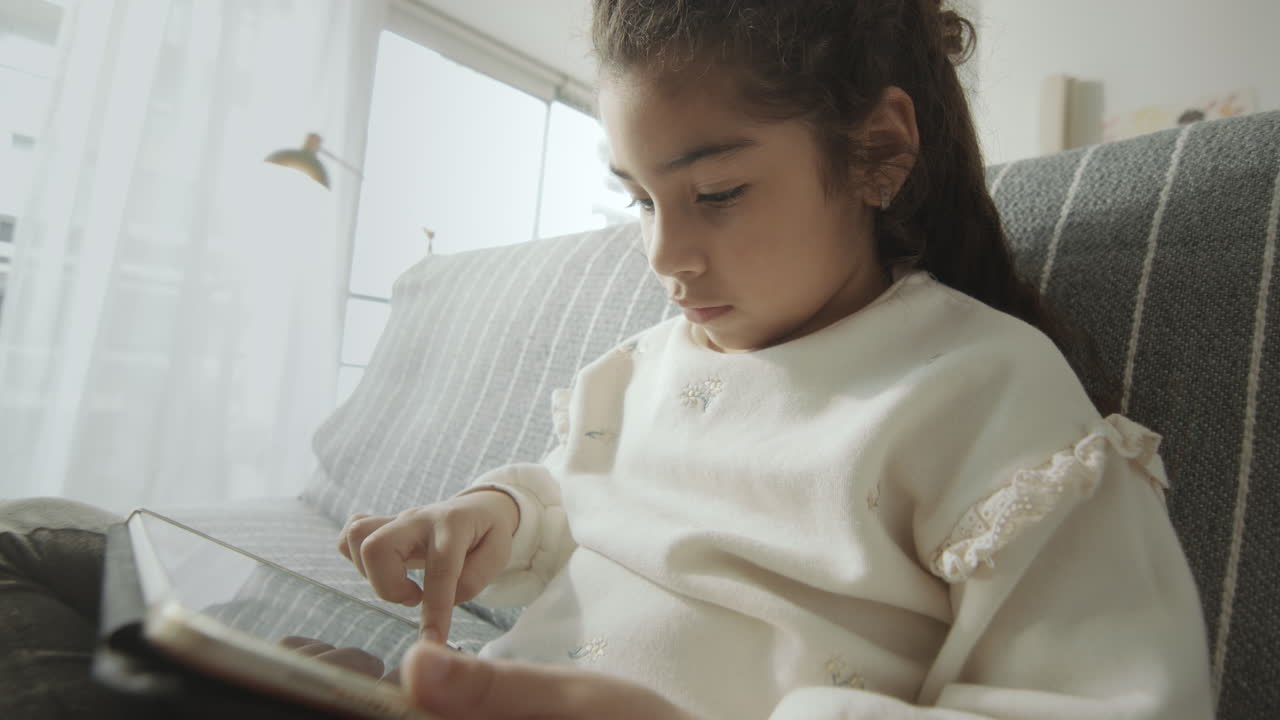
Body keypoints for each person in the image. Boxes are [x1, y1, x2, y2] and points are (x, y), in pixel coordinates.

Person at [339, 1, 1215, 719]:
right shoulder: (642, 369)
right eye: (640, 199)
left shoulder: (985, 386)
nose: (663, 254)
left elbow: (1108, 699)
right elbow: (590, 500)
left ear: (878, 151)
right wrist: (500, 514)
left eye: (716, 193)